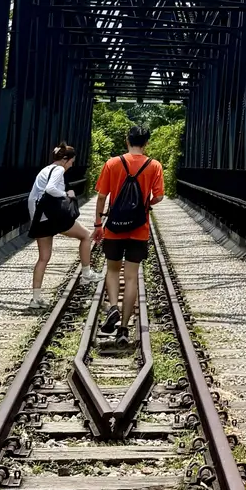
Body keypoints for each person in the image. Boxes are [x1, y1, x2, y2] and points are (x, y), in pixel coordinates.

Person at [91, 125, 164, 343]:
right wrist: (145, 205)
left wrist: (97, 224)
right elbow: (159, 198)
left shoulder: (112, 163)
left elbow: (102, 196)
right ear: (147, 142)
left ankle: (113, 306)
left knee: (112, 271)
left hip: (114, 227)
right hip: (139, 229)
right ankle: (123, 328)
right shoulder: (154, 166)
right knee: (132, 277)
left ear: (127, 140)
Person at [26, 143, 102, 308]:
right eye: (71, 162)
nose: (71, 165)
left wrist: (36, 220)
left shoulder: (45, 170)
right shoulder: (59, 170)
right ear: (65, 160)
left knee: (43, 258)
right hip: (53, 218)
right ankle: (87, 273)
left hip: (40, 219)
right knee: (86, 236)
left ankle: (36, 298)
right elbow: (51, 189)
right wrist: (67, 194)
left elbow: (33, 197)